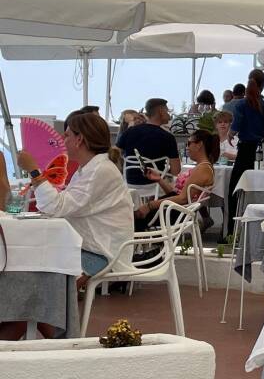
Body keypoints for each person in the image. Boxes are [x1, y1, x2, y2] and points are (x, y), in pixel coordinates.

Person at [22, 113, 134, 288]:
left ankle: (55, 303)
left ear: (79, 139)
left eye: (67, 135)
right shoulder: (90, 168)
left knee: (36, 271)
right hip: (94, 246)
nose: (62, 139)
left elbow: (55, 206)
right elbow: (62, 205)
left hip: (101, 253)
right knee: (32, 259)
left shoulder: (99, 170)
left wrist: (34, 170)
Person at [134, 129, 218, 231]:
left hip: (174, 211)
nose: (187, 147)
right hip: (173, 208)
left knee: (131, 217)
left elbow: (182, 199)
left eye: (189, 143)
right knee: (131, 215)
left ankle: (133, 240)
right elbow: (176, 194)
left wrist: (150, 205)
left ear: (199, 145)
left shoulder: (203, 169)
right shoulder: (202, 167)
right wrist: (159, 179)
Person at [227, 69, 264, 236]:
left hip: (245, 150)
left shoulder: (241, 104)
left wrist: (230, 134)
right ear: (263, 85)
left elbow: (236, 126)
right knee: (257, 190)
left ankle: (231, 231)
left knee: (235, 190)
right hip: (261, 151)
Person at [116, 98, 180, 185]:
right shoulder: (168, 137)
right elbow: (176, 171)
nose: (169, 115)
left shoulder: (129, 131)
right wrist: (165, 171)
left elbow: (114, 155)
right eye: (167, 111)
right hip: (155, 185)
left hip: (129, 184)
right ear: (160, 112)